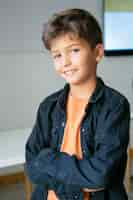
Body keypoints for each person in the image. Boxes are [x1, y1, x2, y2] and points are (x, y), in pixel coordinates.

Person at [25, 8, 130, 200]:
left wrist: (49, 160)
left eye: (74, 50)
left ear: (97, 52)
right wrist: (78, 182)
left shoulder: (115, 106)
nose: (64, 62)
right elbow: (32, 167)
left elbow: (100, 175)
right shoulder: (48, 106)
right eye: (57, 55)